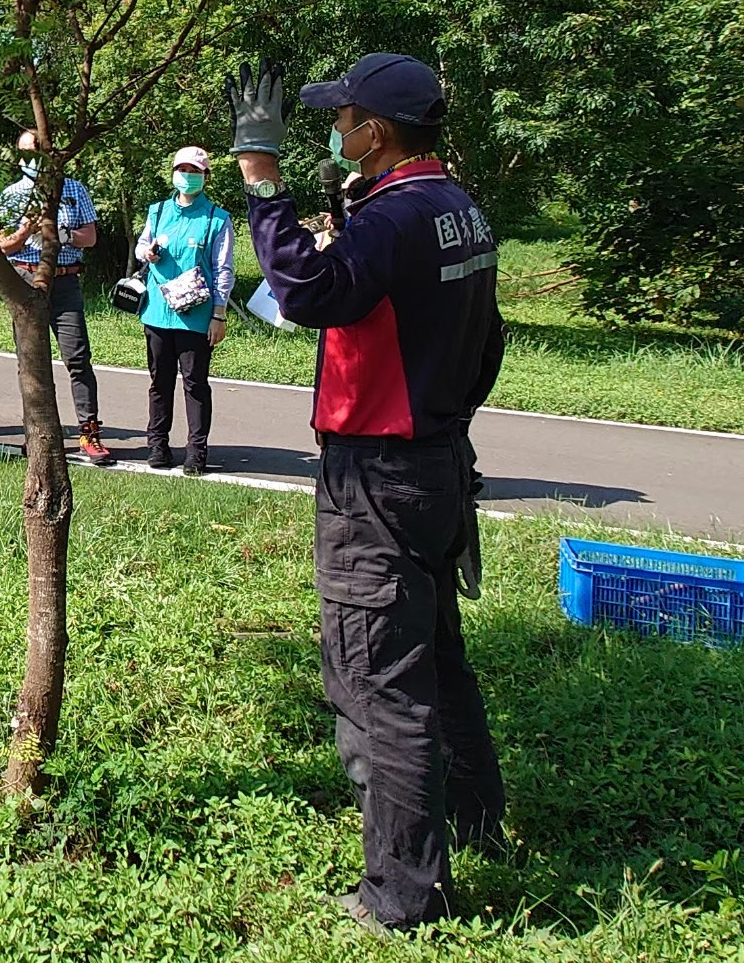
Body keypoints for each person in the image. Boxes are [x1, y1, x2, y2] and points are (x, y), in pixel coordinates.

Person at [228, 53, 506, 934]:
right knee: (438, 659)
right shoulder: (455, 207)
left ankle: (402, 896)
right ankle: (475, 819)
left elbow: (306, 292)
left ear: (375, 133)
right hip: (437, 462)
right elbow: (484, 339)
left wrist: (262, 183)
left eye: (342, 118)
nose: (335, 130)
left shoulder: (395, 218)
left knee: (378, 681)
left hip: (375, 476)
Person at [0, 131, 104, 461]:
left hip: (65, 280)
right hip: (25, 280)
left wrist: (62, 233)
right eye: (26, 152)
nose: (33, 158)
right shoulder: (12, 195)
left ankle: (90, 432)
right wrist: (26, 230)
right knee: (31, 361)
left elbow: (91, 237)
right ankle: (39, 433)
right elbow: (4, 244)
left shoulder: (72, 188)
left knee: (77, 357)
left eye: (39, 150)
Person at [132, 146, 237, 476]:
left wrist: (218, 314)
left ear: (205, 176)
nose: (187, 176)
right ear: (173, 172)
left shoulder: (216, 219)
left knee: (195, 383)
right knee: (159, 382)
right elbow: (140, 246)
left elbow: (223, 269)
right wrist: (145, 252)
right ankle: (158, 445)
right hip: (157, 312)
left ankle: (197, 451)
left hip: (196, 315)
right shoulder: (159, 211)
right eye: (183, 169)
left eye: (195, 170)